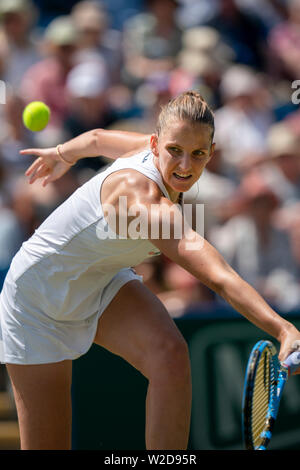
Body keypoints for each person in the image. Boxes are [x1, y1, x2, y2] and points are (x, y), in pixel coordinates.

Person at [1, 91, 300, 451]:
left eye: (198, 154)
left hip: (101, 280)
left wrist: (61, 154)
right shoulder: (145, 204)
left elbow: (96, 139)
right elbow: (219, 277)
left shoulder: (156, 147)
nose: (185, 165)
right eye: (175, 150)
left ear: (212, 152)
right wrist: (282, 328)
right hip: (35, 300)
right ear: (156, 144)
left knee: (170, 356)